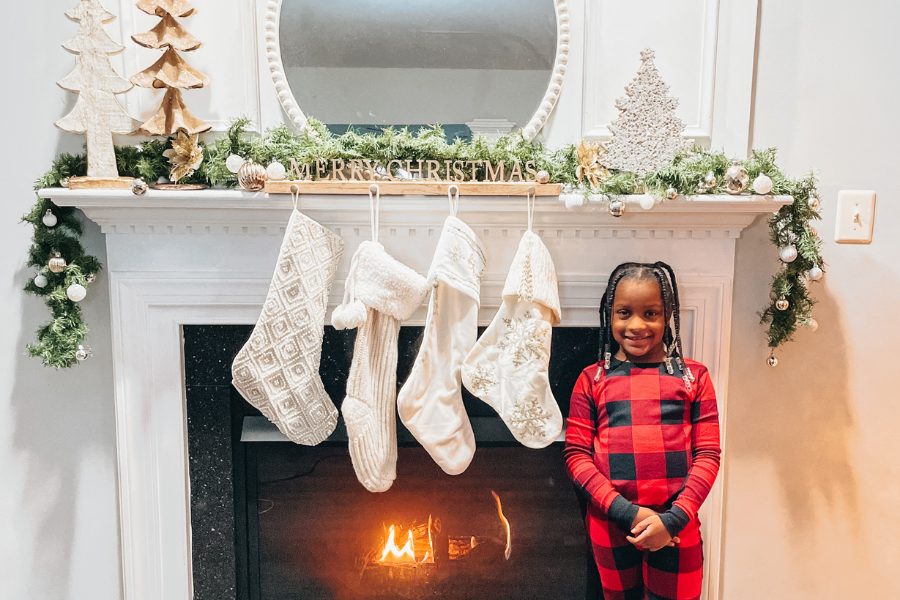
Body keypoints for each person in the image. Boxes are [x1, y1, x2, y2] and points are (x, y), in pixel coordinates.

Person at [565, 262, 721, 600]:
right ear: (610, 315)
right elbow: (577, 457)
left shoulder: (695, 377)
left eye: (650, 313)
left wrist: (674, 519)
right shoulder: (591, 379)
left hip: (676, 526)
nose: (636, 325)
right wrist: (627, 512)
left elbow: (708, 455)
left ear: (668, 316)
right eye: (624, 312)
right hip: (612, 524)